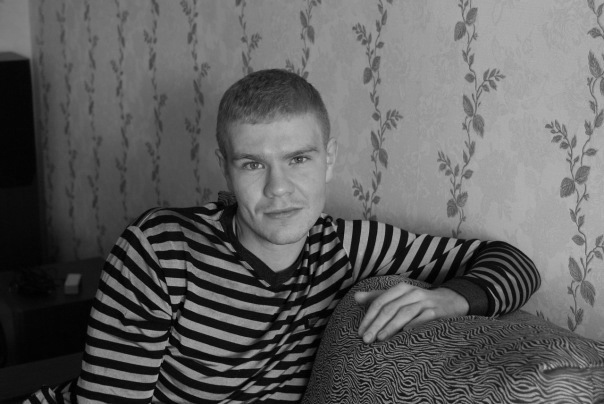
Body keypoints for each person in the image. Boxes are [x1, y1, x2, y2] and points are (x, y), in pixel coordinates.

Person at [27, 69, 540, 403]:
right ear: (225, 168)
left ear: (329, 160)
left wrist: (451, 299)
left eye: (298, 159)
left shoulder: (345, 248)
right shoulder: (161, 250)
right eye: (253, 164)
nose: (278, 189)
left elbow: (513, 263)